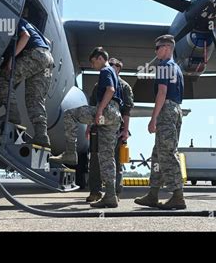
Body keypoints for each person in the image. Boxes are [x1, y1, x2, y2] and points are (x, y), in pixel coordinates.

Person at [49, 47, 122, 208]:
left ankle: (70, 153)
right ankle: (111, 195)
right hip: (115, 116)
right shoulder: (115, 74)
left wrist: (100, 110)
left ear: (100, 58)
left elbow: (110, 90)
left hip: (107, 111)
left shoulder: (105, 71)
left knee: (69, 114)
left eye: (93, 61)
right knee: (107, 157)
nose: (93, 65)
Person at [134, 34, 186, 210]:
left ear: (166, 48)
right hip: (176, 110)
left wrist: (153, 117)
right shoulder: (176, 68)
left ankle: (178, 196)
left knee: (167, 153)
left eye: (157, 48)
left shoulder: (164, 66)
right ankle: (153, 194)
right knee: (158, 154)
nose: (155, 52)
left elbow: (162, 92)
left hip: (167, 111)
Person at [0, 17, 54, 147]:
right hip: (48, 58)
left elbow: (25, 36)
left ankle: (12, 116)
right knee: (35, 98)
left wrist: (12, 58)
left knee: (3, 78)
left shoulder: (16, 19)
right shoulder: (32, 25)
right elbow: (48, 42)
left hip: (36, 55)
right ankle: (41, 136)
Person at [85, 57, 134, 202]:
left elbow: (127, 110)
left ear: (119, 68)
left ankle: (115, 192)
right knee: (94, 160)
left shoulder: (124, 87)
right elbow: (92, 108)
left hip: (115, 129)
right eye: (110, 65)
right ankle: (95, 191)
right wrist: (89, 127)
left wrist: (125, 130)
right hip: (98, 127)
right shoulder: (98, 85)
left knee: (115, 160)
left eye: (115, 65)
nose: (112, 67)